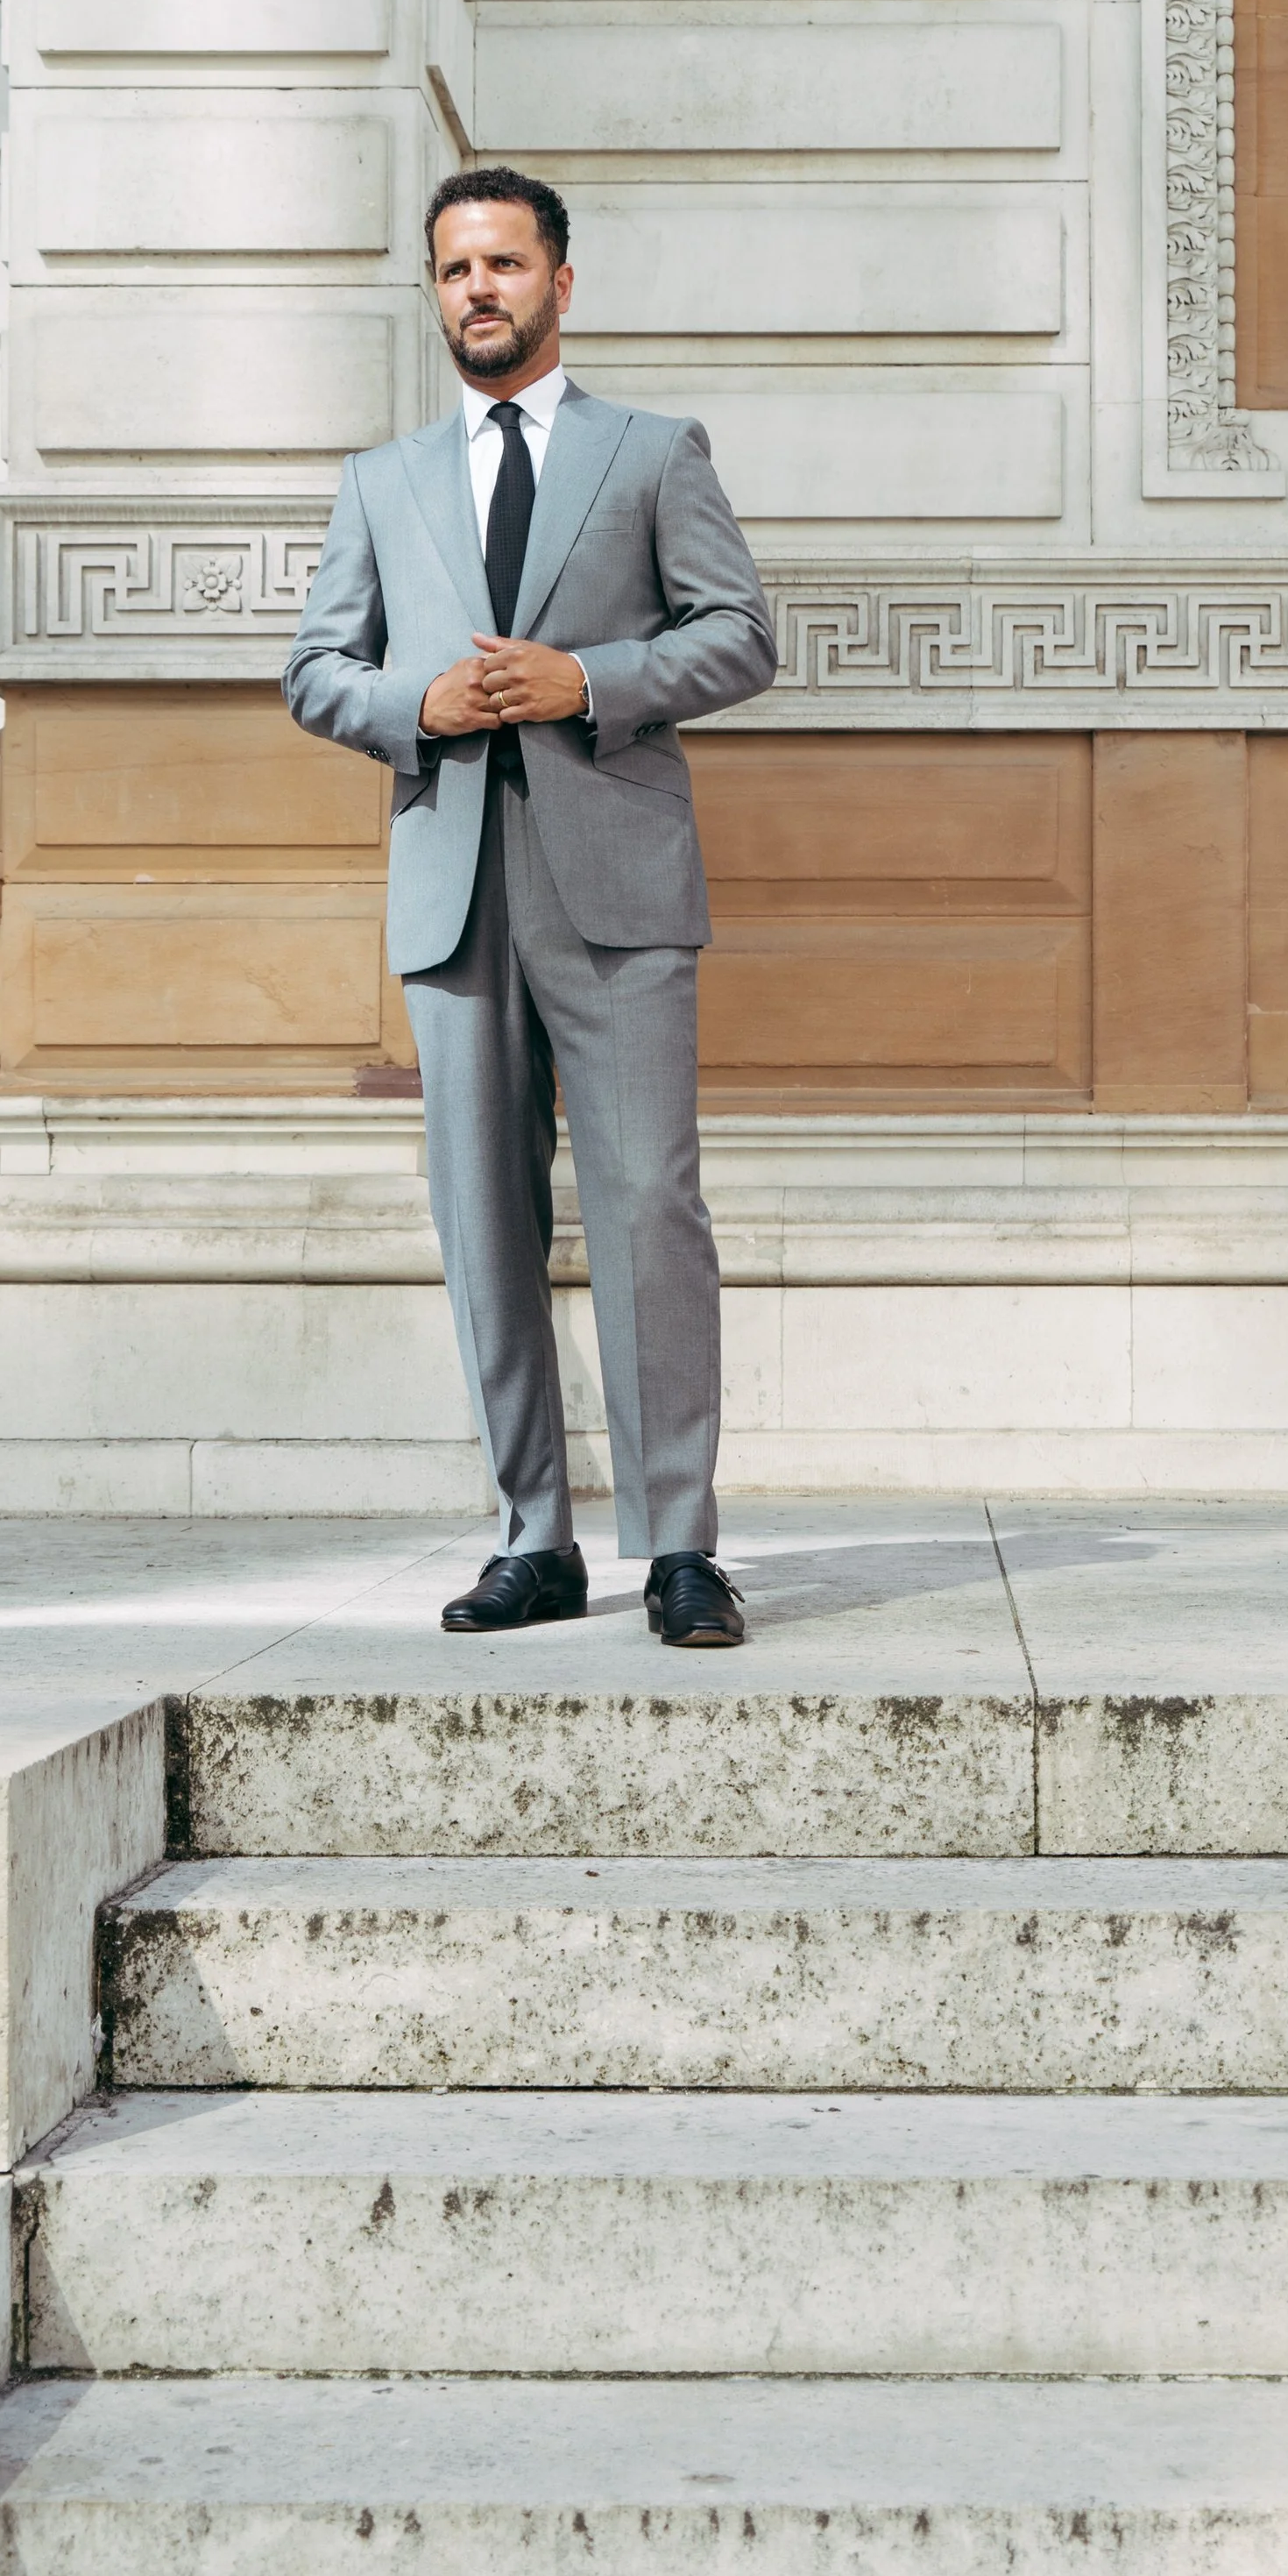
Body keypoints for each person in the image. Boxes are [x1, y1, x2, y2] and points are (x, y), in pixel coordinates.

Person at [285, 167, 777, 1644]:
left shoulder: (651, 452)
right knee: (483, 1217)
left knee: (648, 1208)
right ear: (436, 292)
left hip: (618, 885)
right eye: (454, 271)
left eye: (503, 264)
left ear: (562, 281)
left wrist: (595, 683)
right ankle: (531, 1539)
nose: (478, 291)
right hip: (455, 890)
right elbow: (315, 671)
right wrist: (416, 703)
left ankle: (679, 1544)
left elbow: (742, 633)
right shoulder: (381, 480)